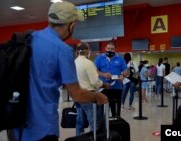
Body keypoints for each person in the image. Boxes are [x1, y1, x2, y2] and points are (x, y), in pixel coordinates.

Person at [9, 2, 108, 141]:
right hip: (43, 128)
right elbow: (77, 95)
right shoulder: (62, 50)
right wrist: (97, 97)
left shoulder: (29, 38)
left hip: (17, 125)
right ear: (71, 25)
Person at [74, 42, 110, 135]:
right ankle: (94, 137)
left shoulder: (74, 62)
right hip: (88, 95)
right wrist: (103, 85)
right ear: (86, 51)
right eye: (89, 49)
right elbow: (94, 82)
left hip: (77, 94)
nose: (90, 51)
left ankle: (79, 137)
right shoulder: (88, 63)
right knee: (93, 120)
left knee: (80, 120)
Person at [94, 42, 128, 117]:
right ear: (105, 48)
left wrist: (123, 75)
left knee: (115, 112)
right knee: (101, 112)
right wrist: (103, 74)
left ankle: (115, 126)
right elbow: (94, 70)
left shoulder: (120, 58)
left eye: (112, 49)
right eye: (108, 48)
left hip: (116, 88)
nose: (110, 50)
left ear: (115, 49)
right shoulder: (100, 58)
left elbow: (126, 70)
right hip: (102, 87)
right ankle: (103, 127)